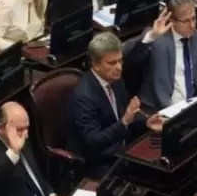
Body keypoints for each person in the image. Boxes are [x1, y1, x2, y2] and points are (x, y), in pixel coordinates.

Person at [68, 32, 164, 177]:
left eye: (120, 61)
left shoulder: (116, 80)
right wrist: (124, 122)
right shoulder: (84, 96)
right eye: (112, 63)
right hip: (100, 162)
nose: (119, 67)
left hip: (122, 148)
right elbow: (93, 142)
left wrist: (146, 122)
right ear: (95, 64)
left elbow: (126, 113)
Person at [129, 0, 197, 111]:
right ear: (172, 21)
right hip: (160, 109)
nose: (192, 25)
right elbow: (129, 59)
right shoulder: (156, 40)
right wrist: (151, 36)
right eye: (186, 21)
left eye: (193, 19)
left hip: (195, 106)